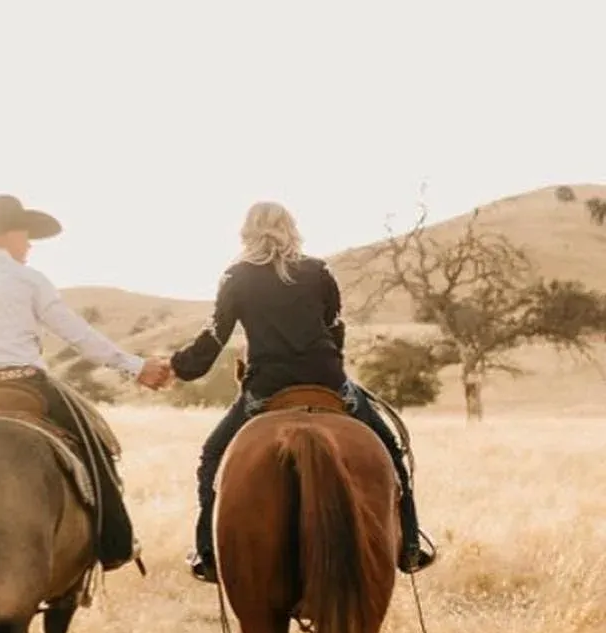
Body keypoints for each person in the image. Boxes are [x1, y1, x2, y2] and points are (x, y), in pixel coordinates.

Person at [165, 201, 437, 585]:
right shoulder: (319, 272)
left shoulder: (235, 277)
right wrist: (327, 365)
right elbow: (335, 329)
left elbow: (214, 338)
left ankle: (208, 552)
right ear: (291, 228)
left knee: (212, 456)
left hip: (266, 388)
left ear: (247, 232)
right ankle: (409, 544)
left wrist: (178, 367)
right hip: (326, 381)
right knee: (391, 448)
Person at [0, 193, 170, 572]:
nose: (29, 244)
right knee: (97, 446)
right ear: (11, 233)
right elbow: (78, 335)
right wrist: (135, 367)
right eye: (25, 235)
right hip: (29, 382)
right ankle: (116, 541)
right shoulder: (29, 280)